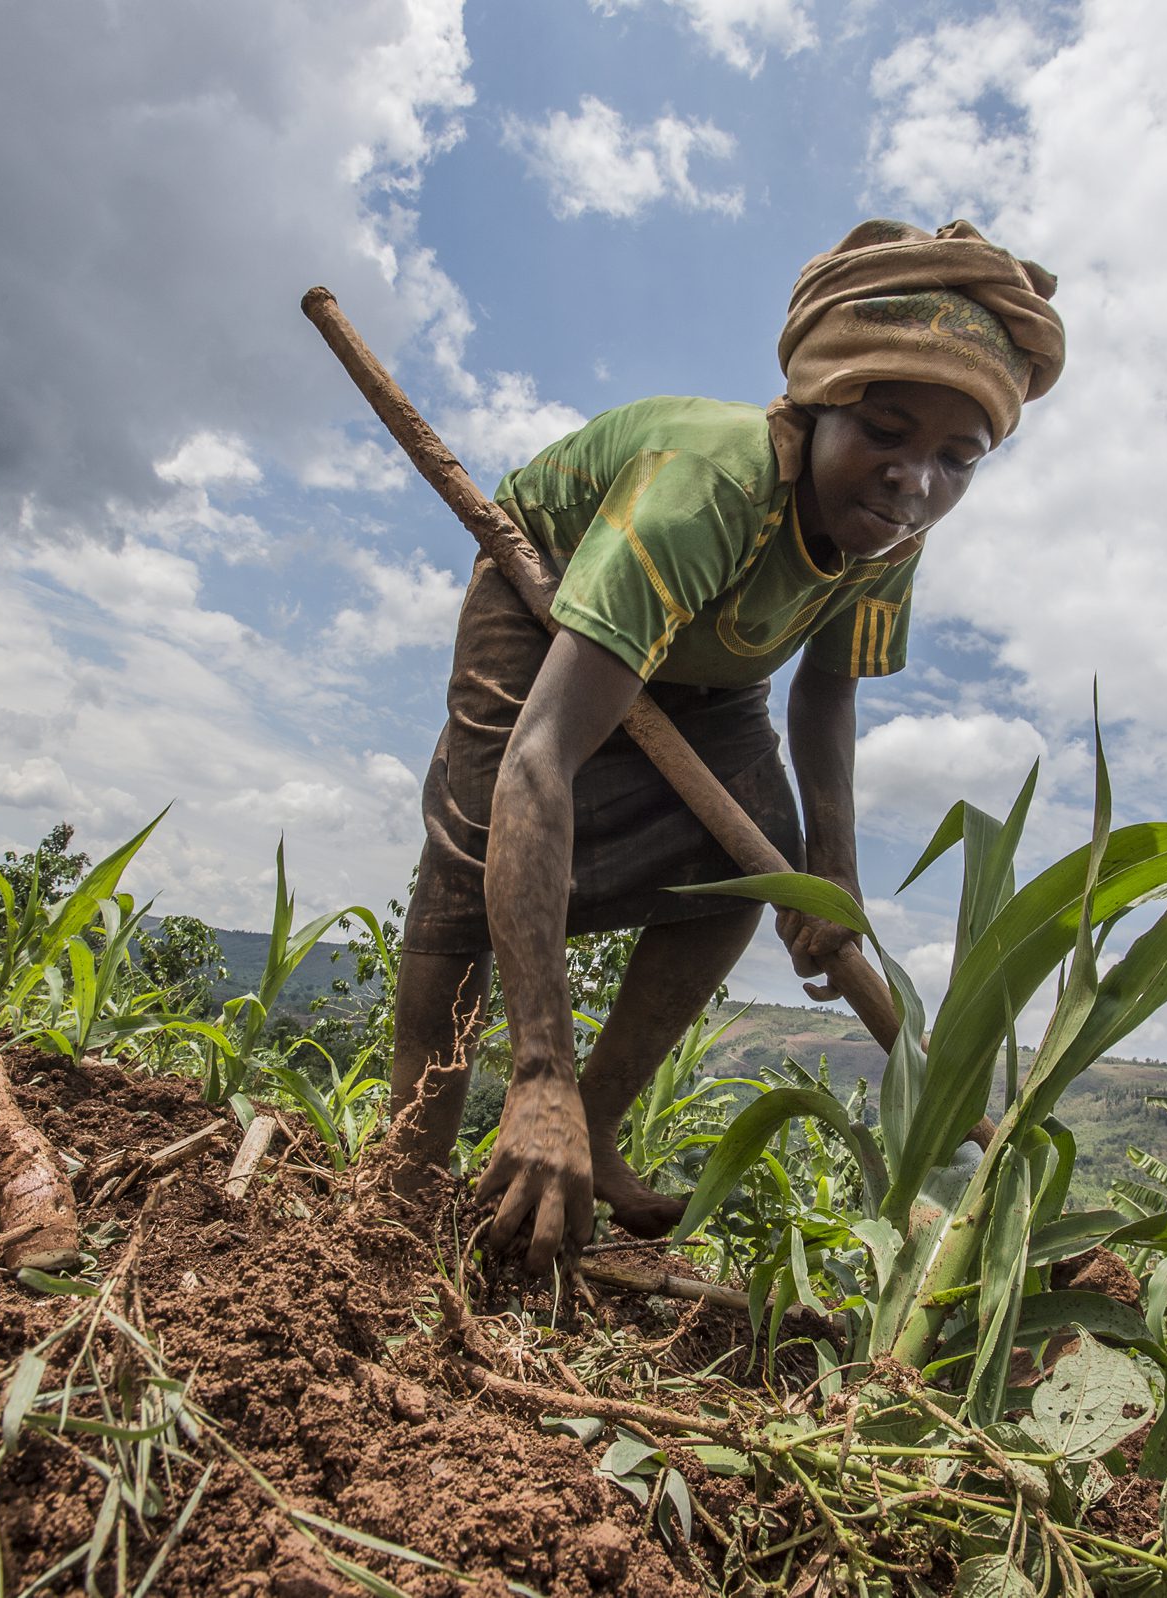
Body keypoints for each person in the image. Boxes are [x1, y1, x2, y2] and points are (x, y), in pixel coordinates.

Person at [385, 219, 1066, 1269]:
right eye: (885, 432)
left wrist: (827, 889)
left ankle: (596, 1127)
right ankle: (410, 1177)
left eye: (953, 459)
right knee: (473, 858)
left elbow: (826, 691)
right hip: (556, 600)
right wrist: (536, 1070)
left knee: (749, 866)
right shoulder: (706, 489)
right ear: (818, 401)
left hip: (716, 666)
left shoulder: (890, 530)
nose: (912, 481)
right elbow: (540, 762)